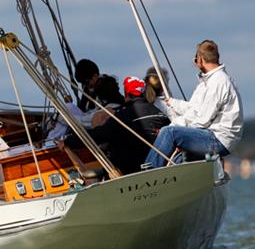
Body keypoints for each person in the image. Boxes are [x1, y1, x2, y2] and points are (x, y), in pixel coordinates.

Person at [144, 40, 243, 168]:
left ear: (200, 59)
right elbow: (194, 109)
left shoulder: (218, 82)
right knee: (178, 156)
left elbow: (202, 120)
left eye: (195, 59)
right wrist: (172, 103)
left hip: (218, 140)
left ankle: (149, 170)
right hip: (213, 135)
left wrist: (173, 127)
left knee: (170, 133)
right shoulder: (207, 81)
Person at [87, 77, 169, 174]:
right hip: (164, 166)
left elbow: (97, 135)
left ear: (126, 94)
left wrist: (68, 141)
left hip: (132, 172)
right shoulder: (161, 111)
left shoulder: (121, 117)